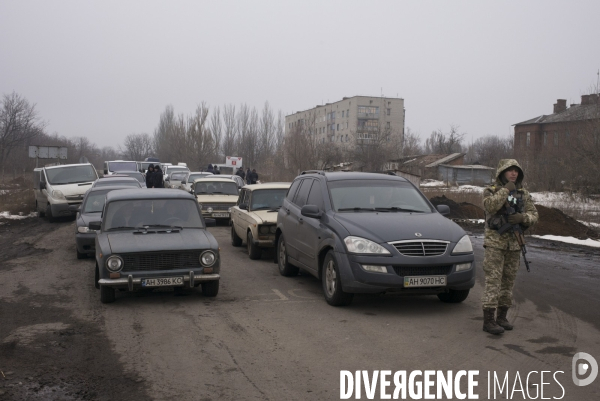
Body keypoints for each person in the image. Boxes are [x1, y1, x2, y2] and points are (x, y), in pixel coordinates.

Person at [481, 159, 538, 335]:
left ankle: (502, 317)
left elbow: (534, 215)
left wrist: (523, 218)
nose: (513, 173)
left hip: (514, 244)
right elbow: (490, 206)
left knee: (508, 282)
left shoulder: (523, 194)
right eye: (509, 170)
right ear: (502, 172)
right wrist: (506, 190)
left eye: (516, 171)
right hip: (495, 244)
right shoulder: (491, 191)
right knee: (493, 281)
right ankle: (488, 320)